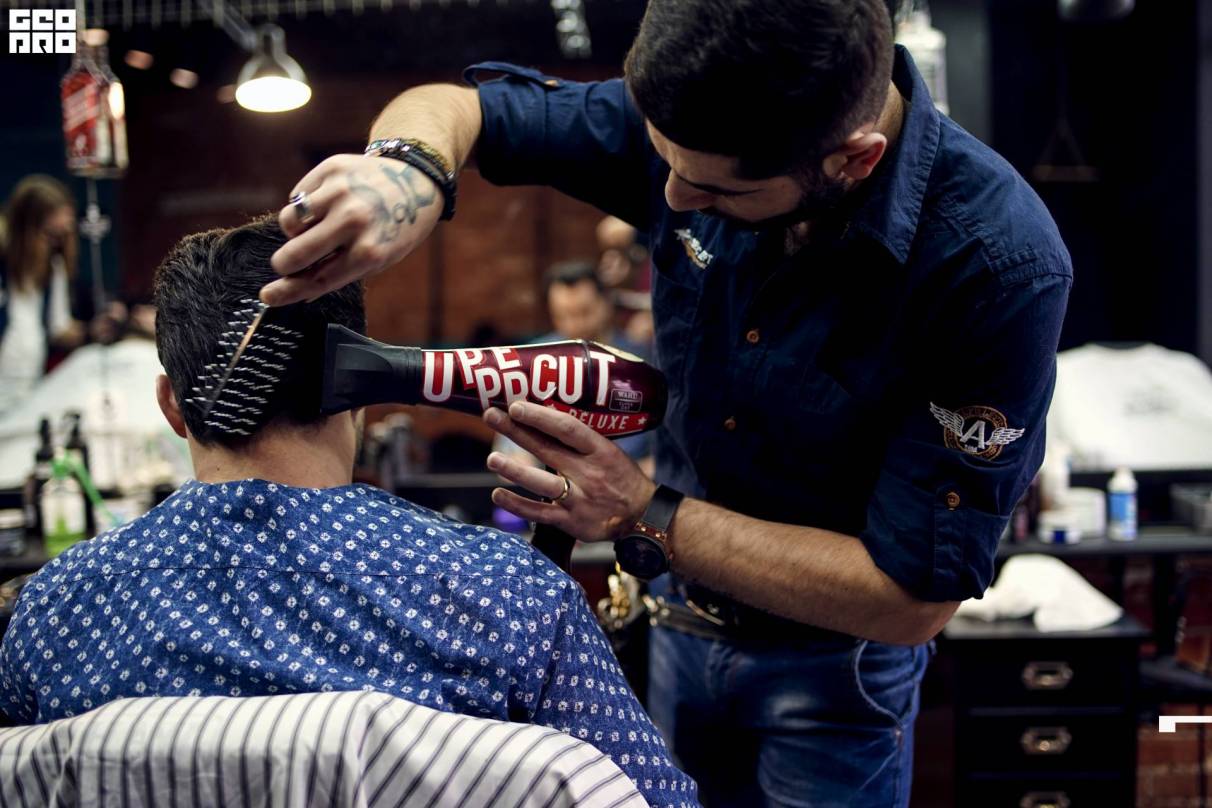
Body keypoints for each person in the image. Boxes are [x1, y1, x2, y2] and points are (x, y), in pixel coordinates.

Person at [262, 0, 1072, 803]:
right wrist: (407, 169)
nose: (673, 198)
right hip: (674, 628)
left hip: (836, 675)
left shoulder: (992, 264)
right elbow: (461, 107)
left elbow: (909, 602)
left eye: (716, 190)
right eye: (663, 160)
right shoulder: (701, 121)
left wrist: (640, 512)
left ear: (852, 161)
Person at [0, 215, 697, 808]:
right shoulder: (508, 597)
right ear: (360, 382)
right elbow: (649, 799)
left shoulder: (57, 611)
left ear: (172, 407)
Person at [0, 175, 86, 411]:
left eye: (62, 236)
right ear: (24, 230)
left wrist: (97, 330)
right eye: (50, 235)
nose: (55, 245)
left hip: (30, 388)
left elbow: (60, 328)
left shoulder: (53, 269)